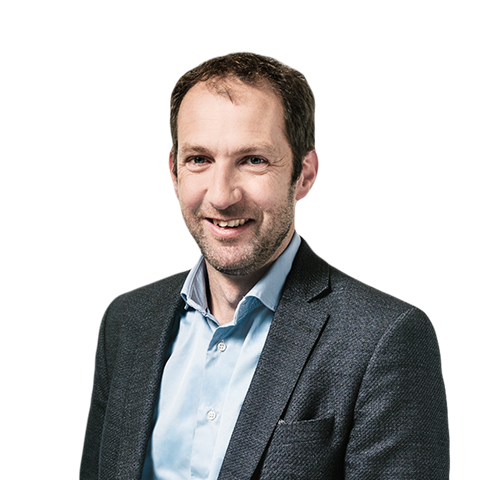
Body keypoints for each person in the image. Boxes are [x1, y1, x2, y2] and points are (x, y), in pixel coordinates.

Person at [79, 51, 450, 479]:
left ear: (305, 174)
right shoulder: (126, 321)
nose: (222, 196)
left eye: (253, 160)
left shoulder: (386, 338)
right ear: (174, 172)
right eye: (199, 159)